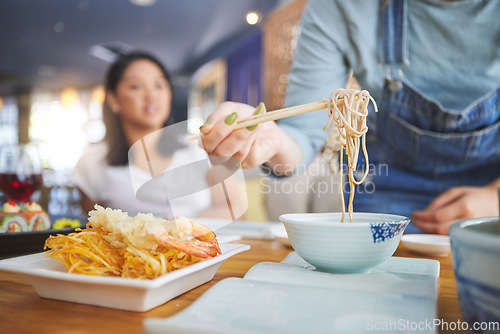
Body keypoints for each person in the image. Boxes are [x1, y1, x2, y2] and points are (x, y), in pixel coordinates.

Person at [198, 0, 500, 234]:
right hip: (384, 186)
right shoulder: (339, 6)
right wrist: (270, 140)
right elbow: (301, 138)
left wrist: (495, 197)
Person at [73, 51, 241, 219]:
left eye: (159, 86)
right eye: (136, 86)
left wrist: (178, 228)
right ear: (113, 100)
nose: (151, 96)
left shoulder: (200, 148)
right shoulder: (92, 162)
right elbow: (93, 231)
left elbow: (236, 210)